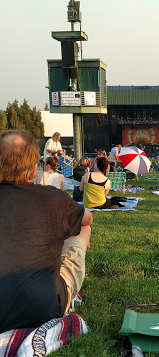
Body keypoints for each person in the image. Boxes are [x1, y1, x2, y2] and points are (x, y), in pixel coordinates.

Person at [0, 130, 92, 334]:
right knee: (82, 227)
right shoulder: (54, 199)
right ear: (35, 168)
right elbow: (88, 218)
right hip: (45, 308)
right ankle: (65, 280)